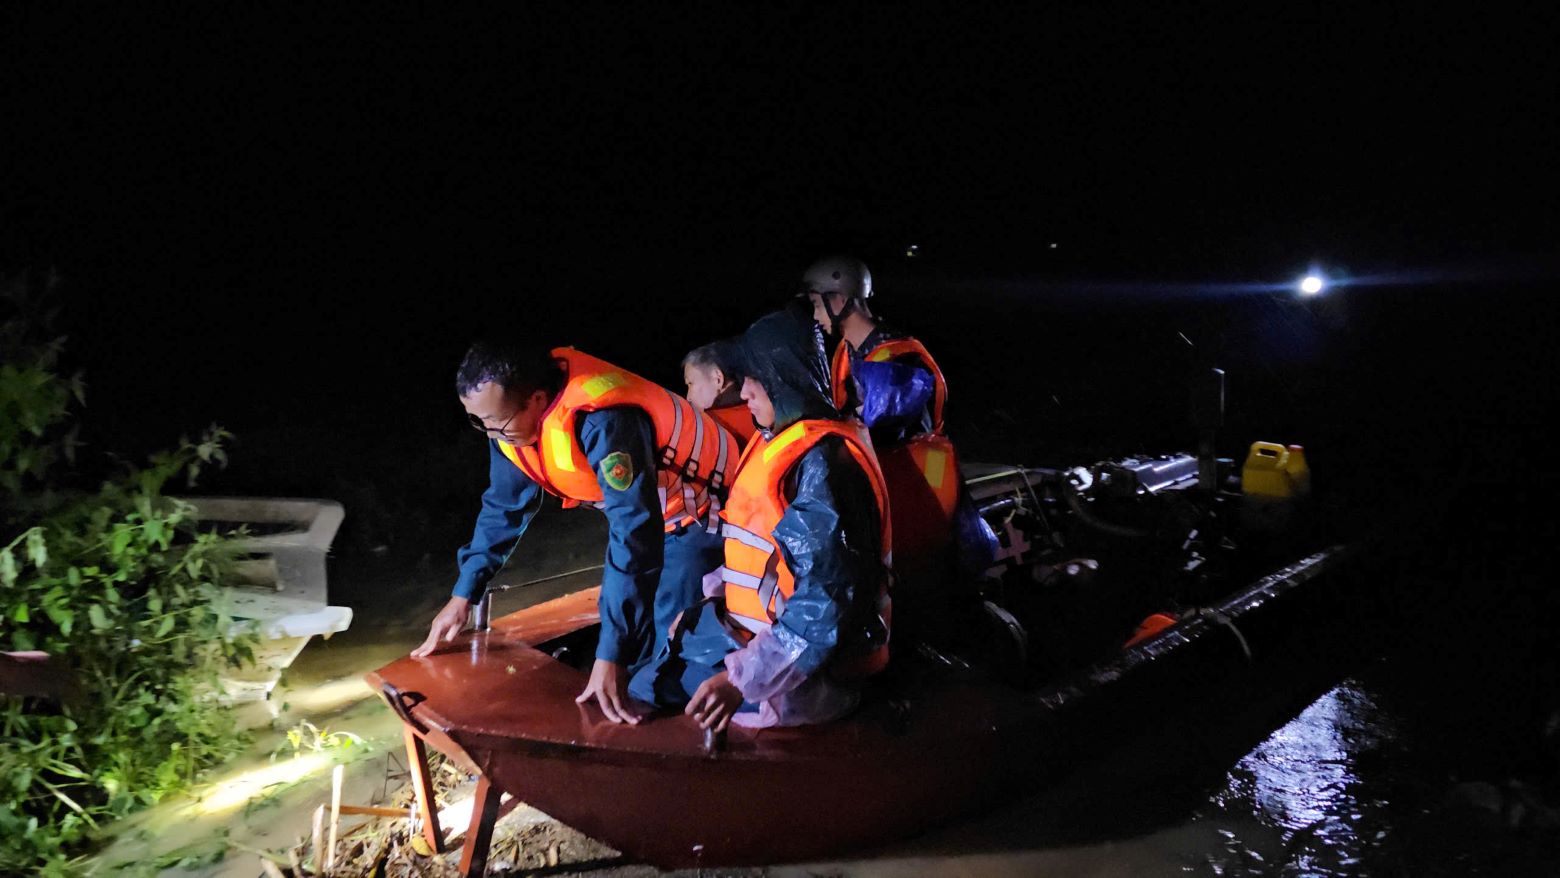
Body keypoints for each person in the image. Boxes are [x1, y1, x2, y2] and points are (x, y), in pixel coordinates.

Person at [414, 343, 740, 725]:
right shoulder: (508, 428)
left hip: (707, 519)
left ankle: (685, 743)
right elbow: (503, 508)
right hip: (657, 525)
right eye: (477, 421)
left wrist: (611, 655)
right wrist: (463, 593)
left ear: (536, 399)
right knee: (628, 638)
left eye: (494, 422)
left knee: (664, 655)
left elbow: (634, 535)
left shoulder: (605, 421)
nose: (489, 433)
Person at [630, 306, 892, 732]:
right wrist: (715, 602)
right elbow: (761, 557)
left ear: (782, 380)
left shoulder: (819, 464)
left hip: (809, 672)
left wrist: (741, 681)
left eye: (755, 379)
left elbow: (825, 597)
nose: (745, 392)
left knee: (649, 689)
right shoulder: (782, 442)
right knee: (662, 660)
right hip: (768, 643)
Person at [800, 256, 979, 632]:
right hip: (887, 488)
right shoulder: (847, 353)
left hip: (918, 486)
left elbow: (874, 427)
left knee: (927, 580)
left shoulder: (895, 355)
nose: (815, 315)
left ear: (841, 300)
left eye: (817, 303)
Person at [681, 340, 755, 445]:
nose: (688, 397)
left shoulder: (707, 429)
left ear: (717, 379)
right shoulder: (764, 411)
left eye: (690, 383)